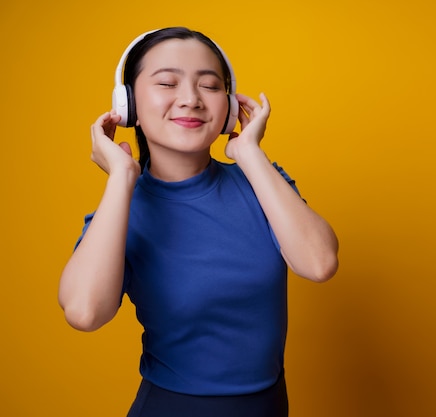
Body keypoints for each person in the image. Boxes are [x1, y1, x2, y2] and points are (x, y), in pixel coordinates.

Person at [58, 27, 339, 417]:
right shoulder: (121, 210)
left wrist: (248, 152)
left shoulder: (261, 182)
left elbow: (320, 263)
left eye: (208, 85)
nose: (190, 99)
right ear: (127, 105)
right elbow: (84, 312)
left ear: (227, 105)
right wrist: (122, 177)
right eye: (167, 83)